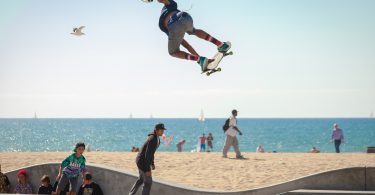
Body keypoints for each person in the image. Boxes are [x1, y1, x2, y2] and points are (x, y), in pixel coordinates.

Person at [156, 0, 231, 72]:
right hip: (185, 17)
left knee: (173, 52)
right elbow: (187, 45)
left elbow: (186, 45)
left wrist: (199, 59)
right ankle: (221, 45)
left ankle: (200, 60)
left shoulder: (162, 25)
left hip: (173, 26)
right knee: (194, 31)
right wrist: (201, 60)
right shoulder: (173, 5)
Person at [129, 123, 166, 195]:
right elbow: (148, 154)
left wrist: (152, 163)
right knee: (148, 183)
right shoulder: (153, 139)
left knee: (141, 180)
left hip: (140, 161)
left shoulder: (156, 137)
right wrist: (147, 170)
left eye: (163, 130)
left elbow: (151, 153)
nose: (162, 131)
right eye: (161, 130)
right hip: (142, 162)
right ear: (156, 130)